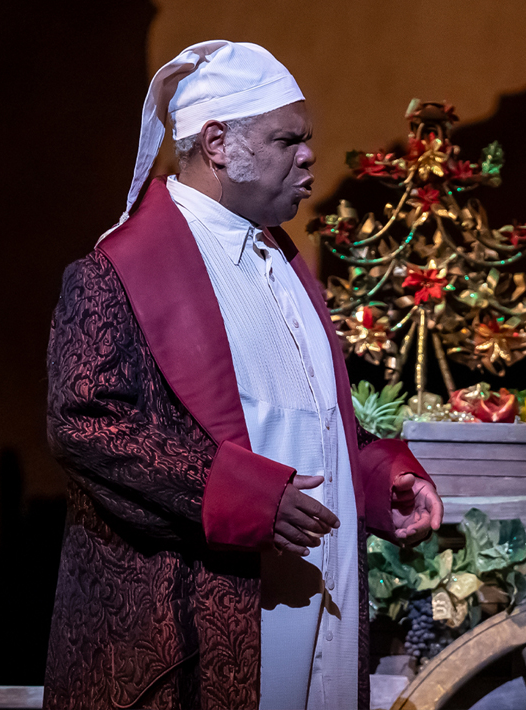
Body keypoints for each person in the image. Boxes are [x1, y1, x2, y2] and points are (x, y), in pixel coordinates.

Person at [44, 41, 442, 709]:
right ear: (219, 142)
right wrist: (242, 497)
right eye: (288, 139)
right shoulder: (115, 272)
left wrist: (375, 479)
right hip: (198, 619)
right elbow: (88, 425)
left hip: (309, 595)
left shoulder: (280, 262)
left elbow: (300, 423)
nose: (310, 155)